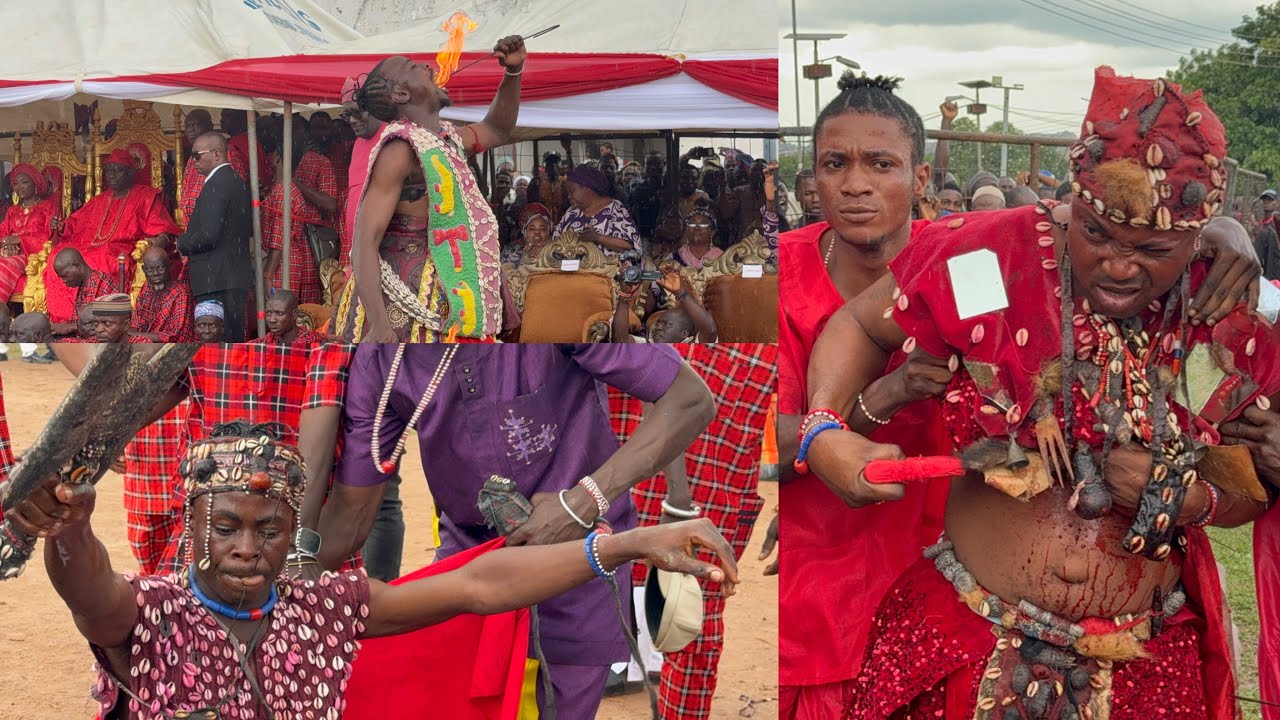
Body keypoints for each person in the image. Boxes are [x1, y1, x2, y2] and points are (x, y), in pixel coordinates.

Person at [776, 71, 1262, 720]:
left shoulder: (1216, 291)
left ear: (1194, 240)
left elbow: (1260, 474)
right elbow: (863, 321)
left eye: (1151, 249)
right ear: (1073, 207)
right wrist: (825, 427)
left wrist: (1181, 490)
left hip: (1146, 663)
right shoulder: (996, 260)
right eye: (1096, 236)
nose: (1118, 266)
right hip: (965, 639)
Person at [0, 421, 738, 720]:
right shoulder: (152, 612)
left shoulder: (320, 604)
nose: (246, 548)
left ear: (296, 532)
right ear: (192, 527)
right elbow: (93, 596)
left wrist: (621, 546)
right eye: (223, 527)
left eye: (268, 529)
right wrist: (72, 531)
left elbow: (478, 588)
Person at [310, 344, 717, 720]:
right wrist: (278, 592)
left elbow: (690, 399)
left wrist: (580, 503)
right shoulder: (383, 355)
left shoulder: (551, 303)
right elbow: (352, 513)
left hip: (580, 563)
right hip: (468, 564)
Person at [607, 343, 775, 719]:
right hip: (639, 491)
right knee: (688, 629)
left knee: (690, 628)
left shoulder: (767, 344)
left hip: (684, 495)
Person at [335, 37, 526, 343]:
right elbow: (363, 241)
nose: (428, 66)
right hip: (407, 302)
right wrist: (379, 325)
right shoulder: (400, 149)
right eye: (414, 67)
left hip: (452, 286)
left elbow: (498, 129)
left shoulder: (447, 138)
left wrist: (513, 72)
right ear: (401, 93)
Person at [41, 149, 181, 324]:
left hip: (121, 250)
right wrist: (62, 227)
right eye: (109, 171)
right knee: (57, 254)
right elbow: (76, 223)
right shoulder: (100, 199)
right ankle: (63, 318)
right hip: (89, 245)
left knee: (100, 256)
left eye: (118, 170)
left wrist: (152, 243)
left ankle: (100, 318)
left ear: (130, 173)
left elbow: (163, 231)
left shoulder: (146, 196)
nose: (112, 175)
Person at [176, 131, 254, 342]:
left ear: (217, 154)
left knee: (218, 344)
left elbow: (209, 235)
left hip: (216, 278)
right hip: (228, 276)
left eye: (197, 155)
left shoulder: (218, 184)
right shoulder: (233, 180)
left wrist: (181, 242)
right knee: (233, 340)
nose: (193, 162)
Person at [262, 116, 337, 307]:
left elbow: (331, 204)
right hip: (292, 248)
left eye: (290, 129)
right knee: (290, 309)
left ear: (305, 132)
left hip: (307, 245)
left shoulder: (319, 163)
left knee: (294, 308)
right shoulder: (279, 179)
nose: (284, 134)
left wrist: (296, 184)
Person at [340, 78, 385, 259]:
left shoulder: (392, 139)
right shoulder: (358, 144)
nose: (351, 120)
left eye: (356, 112)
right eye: (346, 115)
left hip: (383, 250)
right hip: (357, 250)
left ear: (374, 108)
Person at [177, 110, 248, 228]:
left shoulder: (225, 152)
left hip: (218, 230)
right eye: (187, 126)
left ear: (209, 126)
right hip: (196, 230)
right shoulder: (192, 159)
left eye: (195, 124)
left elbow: (235, 192)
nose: (190, 129)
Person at [0, 163, 57, 303]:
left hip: (32, 255)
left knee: (3, 265)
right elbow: (2, 233)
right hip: (8, 252)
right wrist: (6, 244)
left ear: (35, 183)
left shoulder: (47, 207)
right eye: (15, 184)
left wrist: (18, 239)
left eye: (24, 182)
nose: (19, 187)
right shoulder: (12, 210)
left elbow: (48, 237)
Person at [553, 164, 641, 255]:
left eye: (572, 191)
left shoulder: (615, 209)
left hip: (610, 268)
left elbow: (629, 246)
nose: (569, 197)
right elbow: (555, 243)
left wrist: (597, 237)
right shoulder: (571, 212)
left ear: (587, 188)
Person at [49, 248, 121, 336]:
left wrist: (69, 327)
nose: (63, 281)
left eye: (65, 276)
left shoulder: (101, 283)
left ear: (77, 266)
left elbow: (101, 326)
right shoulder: (85, 284)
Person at [131, 246, 195, 342]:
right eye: (150, 269)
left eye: (160, 268)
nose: (155, 273)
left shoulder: (181, 293)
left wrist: (138, 335)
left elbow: (177, 335)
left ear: (170, 266)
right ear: (144, 270)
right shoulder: (146, 287)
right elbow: (136, 323)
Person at [251, 289, 327, 347]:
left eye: (280, 313)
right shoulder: (261, 346)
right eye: (268, 313)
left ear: (295, 314)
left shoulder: (314, 343)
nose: (272, 320)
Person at [528, 148, 571, 221]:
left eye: (556, 162)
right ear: (544, 166)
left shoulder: (564, 182)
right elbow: (531, 204)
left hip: (562, 220)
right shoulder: (537, 182)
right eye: (549, 162)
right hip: (542, 220)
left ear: (560, 165)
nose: (553, 165)